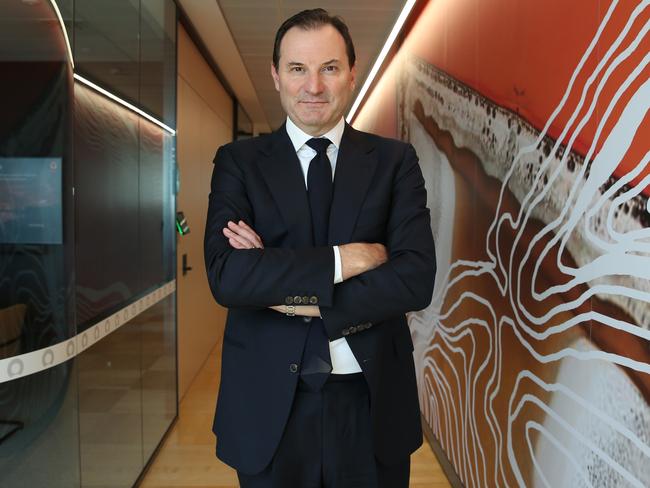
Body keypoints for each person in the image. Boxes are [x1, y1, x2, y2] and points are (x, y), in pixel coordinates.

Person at [204, 8, 436, 488]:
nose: (314, 86)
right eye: (297, 69)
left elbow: (415, 279)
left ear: (353, 73)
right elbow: (228, 276)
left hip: (371, 405)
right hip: (269, 407)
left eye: (329, 68)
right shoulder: (238, 163)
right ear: (275, 76)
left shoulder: (395, 162)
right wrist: (346, 260)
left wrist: (291, 293)